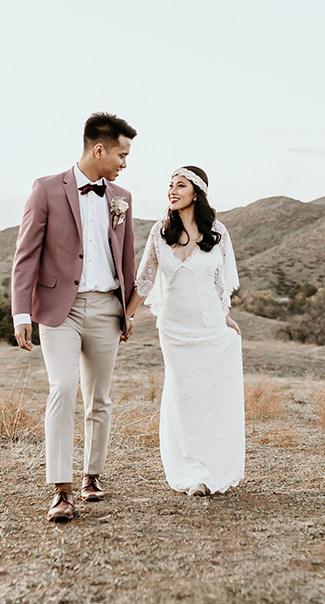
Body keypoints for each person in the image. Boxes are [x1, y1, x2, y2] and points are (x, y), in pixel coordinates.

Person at [10, 112, 138, 523]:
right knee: (63, 387)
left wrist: (127, 308)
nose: (124, 162)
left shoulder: (122, 197)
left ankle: (91, 477)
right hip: (57, 311)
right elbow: (26, 253)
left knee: (99, 398)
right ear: (98, 149)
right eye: (121, 153)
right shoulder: (46, 189)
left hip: (106, 309)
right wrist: (20, 311)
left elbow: (128, 258)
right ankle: (61, 490)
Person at [126, 166, 245, 496]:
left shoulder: (216, 232)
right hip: (175, 330)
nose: (173, 191)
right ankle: (190, 471)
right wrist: (127, 315)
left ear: (196, 192)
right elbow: (146, 279)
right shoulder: (159, 232)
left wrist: (226, 317)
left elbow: (220, 282)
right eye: (170, 186)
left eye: (180, 185)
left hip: (209, 328)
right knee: (182, 396)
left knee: (210, 399)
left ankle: (212, 469)